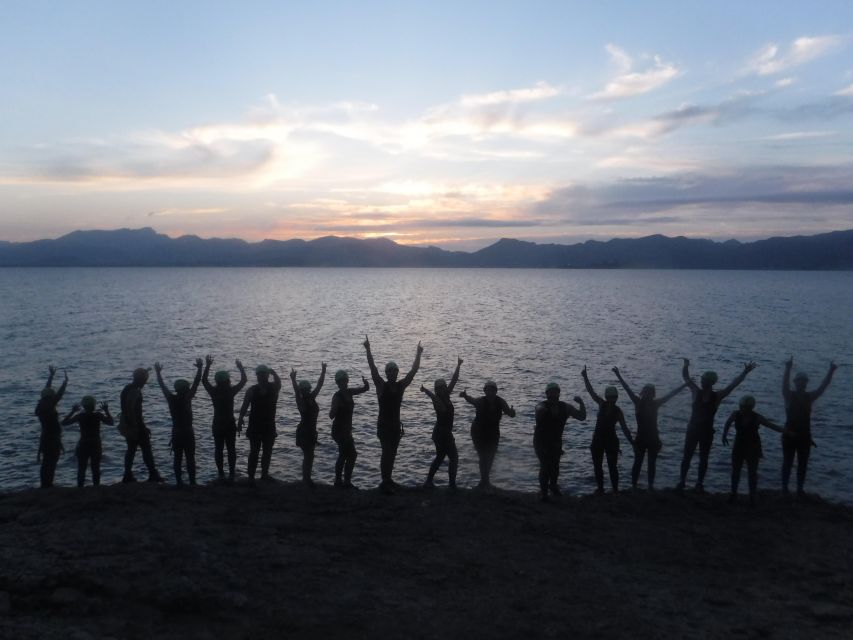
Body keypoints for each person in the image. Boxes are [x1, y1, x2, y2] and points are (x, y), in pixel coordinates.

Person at [677, 358, 757, 492]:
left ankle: (699, 483)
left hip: (706, 431)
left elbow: (733, 385)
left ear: (711, 382)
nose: (702, 382)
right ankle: (682, 481)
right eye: (702, 380)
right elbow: (685, 377)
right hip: (693, 429)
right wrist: (686, 365)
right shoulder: (696, 391)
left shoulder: (717, 396)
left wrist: (745, 372)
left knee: (703, 458)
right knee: (687, 456)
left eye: (704, 380)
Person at [364, 335, 423, 494]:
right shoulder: (381, 385)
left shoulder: (400, 386)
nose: (392, 373)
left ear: (397, 373)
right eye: (390, 371)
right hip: (384, 425)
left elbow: (413, 371)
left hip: (395, 426)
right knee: (386, 452)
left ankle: (388, 479)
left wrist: (418, 353)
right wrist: (368, 349)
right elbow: (372, 368)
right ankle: (385, 482)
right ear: (387, 373)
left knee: (393, 453)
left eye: (394, 371)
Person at [612, 367, 687, 490]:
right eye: (646, 392)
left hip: (653, 438)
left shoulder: (655, 403)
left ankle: (650, 486)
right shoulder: (637, 402)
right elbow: (627, 389)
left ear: (653, 394)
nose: (647, 394)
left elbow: (671, 395)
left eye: (650, 392)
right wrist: (618, 375)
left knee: (651, 463)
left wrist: (684, 385)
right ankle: (634, 486)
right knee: (638, 463)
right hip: (641, 438)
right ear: (643, 392)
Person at [781, 357, 838, 497]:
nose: (802, 383)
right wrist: (788, 368)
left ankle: (799, 489)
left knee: (803, 464)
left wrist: (831, 371)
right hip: (789, 434)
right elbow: (784, 385)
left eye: (804, 381)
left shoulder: (810, 397)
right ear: (796, 383)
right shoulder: (789, 395)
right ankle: (784, 488)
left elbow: (823, 386)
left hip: (804, 436)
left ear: (806, 383)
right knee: (787, 462)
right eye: (799, 381)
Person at [722, 395, 784, 505]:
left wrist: (785, 431)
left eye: (747, 407)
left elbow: (771, 425)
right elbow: (728, 423)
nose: (744, 409)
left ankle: (752, 497)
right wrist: (724, 435)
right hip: (739, 446)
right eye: (743, 406)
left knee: (752, 473)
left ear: (751, 407)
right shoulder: (736, 414)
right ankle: (734, 494)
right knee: (736, 471)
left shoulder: (757, 418)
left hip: (753, 447)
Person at [582, 367, 634, 495]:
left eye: (613, 397)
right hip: (599, 440)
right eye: (610, 397)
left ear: (616, 398)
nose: (612, 399)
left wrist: (632, 443)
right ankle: (601, 489)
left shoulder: (617, 411)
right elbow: (591, 391)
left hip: (610, 441)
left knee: (612, 467)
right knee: (598, 466)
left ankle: (615, 490)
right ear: (607, 397)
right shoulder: (602, 404)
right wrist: (585, 377)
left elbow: (625, 429)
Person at [533, 382, 586, 501]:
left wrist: (581, 403)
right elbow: (537, 409)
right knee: (545, 466)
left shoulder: (565, 407)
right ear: (547, 394)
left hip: (556, 441)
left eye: (555, 392)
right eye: (550, 393)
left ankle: (553, 487)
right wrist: (541, 410)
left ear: (559, 393)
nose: (553, 395)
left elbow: (582, 417)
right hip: (541, 441)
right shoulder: (542, 406)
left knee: (555, 466)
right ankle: (544, 493)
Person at [155, 359, 203, 487]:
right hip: (187, 431)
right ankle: (192, 482)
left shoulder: (171, 399)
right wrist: (200, 368)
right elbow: (197, 383)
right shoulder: (187, 398)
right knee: (190, 457)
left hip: (176, 432)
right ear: (185, 389)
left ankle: (179, 482)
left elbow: (162, 385)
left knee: (177, 458)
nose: (189, 389)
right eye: (187, 388)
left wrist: (158, 373)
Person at [460, 380, 516, 490]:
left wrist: (513, 412)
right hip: (478, 432)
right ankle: (483, 481)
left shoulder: (500, 402)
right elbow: (472, 400)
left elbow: (510, 413)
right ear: (485, 391)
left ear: (496, 391)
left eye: (492, 390)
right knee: (483, 456)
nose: (490, 392)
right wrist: (465, 396)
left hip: (493, 432)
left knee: (490, 456)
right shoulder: (481, 401)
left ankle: (485, 481)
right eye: (488, 390)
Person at [202, 355, 247, 483]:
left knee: (218, 449)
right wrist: (240, 367)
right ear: (228, 380)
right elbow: (244, 380)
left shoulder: (214, 392)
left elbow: (204, 380)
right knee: (231, 449)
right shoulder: (230, 391)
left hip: (217, 423)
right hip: (229, 423)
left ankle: (221, 474)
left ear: (216, 381)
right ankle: (232, 474)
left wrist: (207, 366)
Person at [420, 356, 463, 490]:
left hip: (442, 432)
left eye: (443, 387)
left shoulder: (447, 395)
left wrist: (458, 365)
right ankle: (451, 485)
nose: (443, 389)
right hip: (442, 433)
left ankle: (430, 482)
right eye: (439, 388)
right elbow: (433, 397)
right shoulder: (438, 400)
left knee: (440, 457)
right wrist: (426, 390)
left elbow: (454, 380)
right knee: (454, 457)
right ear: (437, 390)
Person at [238, 364, 282, 485]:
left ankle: (262, 475)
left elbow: (244, 407)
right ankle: (253, 477)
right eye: (260, 374)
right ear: (258, 376)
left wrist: (241, 419)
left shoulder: (267, 388)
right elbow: (244, 406)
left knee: (264, 452)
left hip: (265, 425)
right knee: (256, 452)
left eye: (263, 374)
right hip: (258, 426)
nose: (262, 376)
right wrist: (240, 419)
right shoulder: (255, 390)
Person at [119, 367, 163, 483]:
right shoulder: (135, 392)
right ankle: (153, 474)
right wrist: (142, 427)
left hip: (126, 424)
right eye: (144, 380)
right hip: (134, 425)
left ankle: (127, 475)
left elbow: (126, 410)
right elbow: (135, 412)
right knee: (146, 449)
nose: (145, 382)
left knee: (131, 449)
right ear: (141, 380)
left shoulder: (126, 389)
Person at [329, 369, 369, 489]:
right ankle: (340, 481)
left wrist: (366, 383)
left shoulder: (349, 392)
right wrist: (336, 408)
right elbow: (331, 415)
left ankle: (344, 481)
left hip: (346, 431)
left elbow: (364, 389)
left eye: (345, 381)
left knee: (349, 455)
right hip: (339, 431)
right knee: (347, 454)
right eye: (341, 381)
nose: (344, 383)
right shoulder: (337, 397)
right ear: (338, 383)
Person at [61, 396, 114, 487]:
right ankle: (96, 487)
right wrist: (106, 410)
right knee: (95, 468)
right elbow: (111, 422)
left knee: (82, 468)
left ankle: (80, 488)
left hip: (83, 443)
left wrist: (73, 411)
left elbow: (64, 423)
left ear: (83, 406)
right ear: (94, 405)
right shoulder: (98, 415)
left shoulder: (80, 416)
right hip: (95, 443)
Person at [290, 363, 327, 487]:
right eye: (304, 389)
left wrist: (323, 371)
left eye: (307, 389)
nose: (307, 391)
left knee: (310, 456)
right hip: (304, 431)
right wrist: (293, 380)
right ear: (302, 390)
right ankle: (306, 479)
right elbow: (296, 391)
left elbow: (319, 385)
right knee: (308, 456)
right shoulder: (300, 400)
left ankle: (307, 478)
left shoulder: (312, 397)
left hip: (310, 431)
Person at [35, 365, 68, 488]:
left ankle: (45, 484)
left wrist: (51, 376)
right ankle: (49, 484)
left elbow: (46, 390)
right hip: (53, 438)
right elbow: (59, 395)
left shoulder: (41, 405)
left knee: (45, 462)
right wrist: (65, 383)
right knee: (52, 461)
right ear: (50, 397)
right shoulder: (50, 406)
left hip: (45, 437)